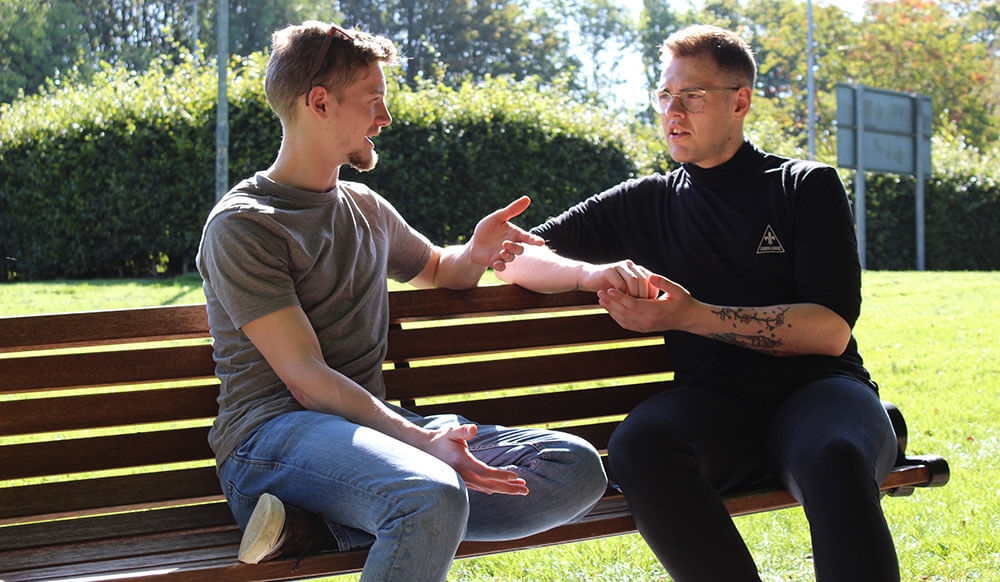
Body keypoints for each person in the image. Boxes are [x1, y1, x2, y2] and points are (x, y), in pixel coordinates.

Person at [195, 21, 606, 581]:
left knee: (574, 468)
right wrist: (421, 442)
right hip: (271, 440)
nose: (385, 118)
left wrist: (477, 250)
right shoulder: (245, 226)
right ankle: (364, 509)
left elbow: (440, 270)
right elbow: (304, 377)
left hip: (368, 435)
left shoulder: (365, 207)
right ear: (320, 102)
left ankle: (314, 527)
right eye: (373, 102)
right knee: (429, 493)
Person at [495, 24, 901, 582]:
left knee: (831, 454)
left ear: (741, 101)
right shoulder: (646, 201)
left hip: (820, 391)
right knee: (639, 446)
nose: (672, 111)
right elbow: (514, 255)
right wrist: (590, 273)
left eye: (692, 96)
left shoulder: (804, 186)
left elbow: (828, 330)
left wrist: (691, 315)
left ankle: (873, 431)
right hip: (717, 409)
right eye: (665, 95)